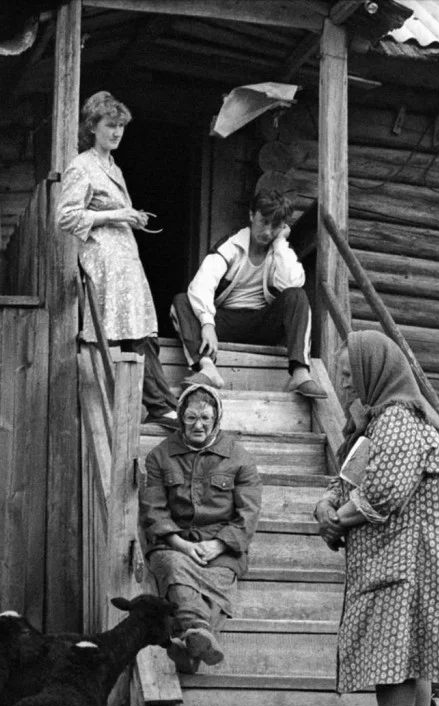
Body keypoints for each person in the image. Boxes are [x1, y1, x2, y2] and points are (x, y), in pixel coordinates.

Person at [314, 330, 439, 706]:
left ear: (374, 371)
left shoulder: (398, 420)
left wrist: (336, 519)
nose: (345, 383)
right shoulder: (379, 423)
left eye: (349, 374)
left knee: (394, 663)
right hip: (393, 564)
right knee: (412, 658)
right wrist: (326, 507)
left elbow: (382, 493)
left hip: (404, 565)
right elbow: (349, 482)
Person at [57, 91, 178, 429]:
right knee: (118, 333)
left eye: (121, 126)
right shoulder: (82, 166)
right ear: (92, 127)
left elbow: (110, 210)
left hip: (125, 260)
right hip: (105, 262)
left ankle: (161, 404)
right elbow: (65, 217)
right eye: (110, 125)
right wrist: (115, 215)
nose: (116, 132)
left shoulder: (113, 167)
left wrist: (130, 217)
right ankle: (139, 406)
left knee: (142, 329)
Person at [139, 383, 262, 673]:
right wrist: (181, 544)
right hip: (175, 543)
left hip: (222, 546)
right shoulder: (159, 456)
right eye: (191, 417)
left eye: (205, 418)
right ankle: (199, 633)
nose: (198, 425)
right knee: (173, 570)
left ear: (216, 419)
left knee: (217, 583)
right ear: (181, 417)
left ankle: (189, 642)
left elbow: (248, 512)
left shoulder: (239, 458)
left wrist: (218, 545)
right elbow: (153, 508)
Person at [170, 188, 326, 398]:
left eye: (275, 226)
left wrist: (280, 243)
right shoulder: (231, 246)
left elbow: (292, 283)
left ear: (283, 227)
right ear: (252, 215)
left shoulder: (279, 252)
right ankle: (207, 368)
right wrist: (207, 324)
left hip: (261, 326)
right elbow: (201, 284)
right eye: (264, 222)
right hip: (224, 323)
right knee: (182, 300)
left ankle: (300, 374)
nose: (267, 232)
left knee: (297, 296)